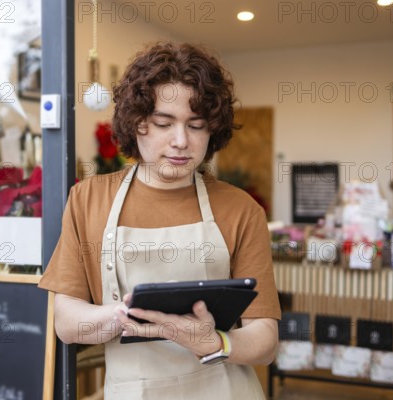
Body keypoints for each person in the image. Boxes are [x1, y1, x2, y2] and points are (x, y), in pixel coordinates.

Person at [38, 42, 281, 399]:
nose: (181, 141)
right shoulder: (89, 200)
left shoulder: (240, 209)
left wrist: (212, 341)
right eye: (164, 123)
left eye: (196, 126)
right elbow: (67, 322)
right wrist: (127, 314)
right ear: (137, 124)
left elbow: (265, 340)